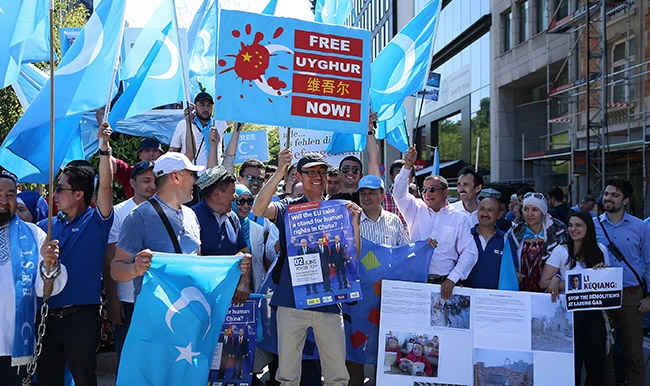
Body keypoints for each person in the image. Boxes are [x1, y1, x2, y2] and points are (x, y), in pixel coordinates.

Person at [252, 150, 361, 386]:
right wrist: (280, 170)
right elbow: (258, 210)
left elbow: (353, 259)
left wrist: (355, 224)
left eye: (321, 172)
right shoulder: (287, 208)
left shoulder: (339, 210)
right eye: (310, 172)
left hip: (330, 302)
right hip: (291, 302)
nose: (317, 177)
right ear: (299, 176)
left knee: (337, 377)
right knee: (288, 377)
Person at [36, 124, 114, 386]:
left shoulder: (96, 221)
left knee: (84, 380)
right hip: (47, 317)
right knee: (48, 380)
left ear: (79, 194)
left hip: (82, 318)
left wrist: (104, 149)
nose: (55, 194)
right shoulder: (45, 227)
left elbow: (105, 187)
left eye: (60, 189)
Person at [0, 167, 65, 386]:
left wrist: (50, 264)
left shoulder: (34, 234)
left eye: (10, 195)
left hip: (15, 346)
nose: (4, 200)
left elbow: (44, 289)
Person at [110, 152, 205, 296]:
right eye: (192, 174)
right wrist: (135, 269)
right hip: (156, 316)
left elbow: (197, 260)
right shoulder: (138, 217)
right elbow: (116, 270)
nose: (195, 181)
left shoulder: (191, 214)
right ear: (176, 176)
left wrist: (234, 266)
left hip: (190, 312)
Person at [393, 145, 478, 300]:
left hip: (444, 287)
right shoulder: (415, 208)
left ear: (445, 192)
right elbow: (398, 194)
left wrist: (452, 279)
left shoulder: (459, 218)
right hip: (414, 282)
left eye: (432, 189)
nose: (427, 194)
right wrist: (407, 166)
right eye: (424, 190)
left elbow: (470, 253)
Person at [539, 211, 610, 386]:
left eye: (578, 225)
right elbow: (544, 282)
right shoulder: (561, 250)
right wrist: (558, 280)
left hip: (595, 313)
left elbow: (608, 283)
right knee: (572, 365)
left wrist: (601, 272)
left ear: (588, 228)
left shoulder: (601, 250)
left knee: (596, 365)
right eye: (570, 225)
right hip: (570, 314)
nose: (573, 229)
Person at [594, 178, 650, 386]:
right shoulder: (593, 225)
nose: (608, 198)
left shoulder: (639, 226)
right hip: (601, 294)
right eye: (607, 194)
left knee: (634, 353)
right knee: (605, 352)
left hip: (631, 294)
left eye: (615, 195)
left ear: (625, 200)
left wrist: (649, 296)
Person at [103, 161, 156, 368]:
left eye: (154, 180)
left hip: (158, 303)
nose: (151, 186)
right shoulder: (118, 212)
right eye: (146, 181)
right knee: (128, 365)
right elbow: (109, 258)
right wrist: (113, 300)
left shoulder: (169, 211)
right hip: (127, 303)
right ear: (132, 183)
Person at [192, 166, 252, 305]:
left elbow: (244, 253)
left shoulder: (233, 218)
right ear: (217, 194)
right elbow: (194, 261)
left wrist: (244, 282)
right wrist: (232, 264)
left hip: (230, 300)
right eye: (232, 192)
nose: (236, 197)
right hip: (201, 300)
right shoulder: (191, 217)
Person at [499, 192, 567, 292]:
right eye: (526, 209)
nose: (529, 214)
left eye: (535, 210)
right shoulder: (514, 232)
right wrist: (513, 273)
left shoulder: (558, 232)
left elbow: (567, 261)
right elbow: (506, 260)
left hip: (549, 293)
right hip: (521, 292)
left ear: (543, 211)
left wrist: (557, 277)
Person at [169, 92, 227, 168]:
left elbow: (236, 114)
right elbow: (173, 150)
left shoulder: (218, 123)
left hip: (214, 175)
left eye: (209, 105)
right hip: (191, 176)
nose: (206, 108)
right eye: (202, 105)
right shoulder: (183, 124)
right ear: (195, 106)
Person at [461, 196, 505, 290]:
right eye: (482, 209)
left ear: (499, 215)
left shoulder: (505, 240)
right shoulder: (465, 236)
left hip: (495, 298)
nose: (485, 213)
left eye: (490, 210)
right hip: (468, 298)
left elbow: (513, 270)